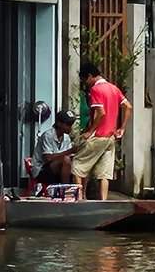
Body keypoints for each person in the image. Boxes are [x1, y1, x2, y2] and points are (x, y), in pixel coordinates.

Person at [72, 60, 131, 202]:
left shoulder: (96, 90)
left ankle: (80, 198)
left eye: (84, 79)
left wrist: (89, 131)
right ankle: (104, 201)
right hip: (110, 137)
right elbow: (128, 106)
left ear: (90, 76)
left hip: (98, 136)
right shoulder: (113, 88)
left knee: (77, 165)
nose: (85, 83)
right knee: (104, 173)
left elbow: (101, 113)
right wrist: (122, 128)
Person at [36, 110, 76, 187]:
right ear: (59, 124)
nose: (71, 127)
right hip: (42, 169)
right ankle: (65, 189)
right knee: (66, 159)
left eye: (72, 124)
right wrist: (70, 151)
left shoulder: (66, 138)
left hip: (56, 168)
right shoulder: (48, 135)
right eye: (68, 124)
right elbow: (48, 158)